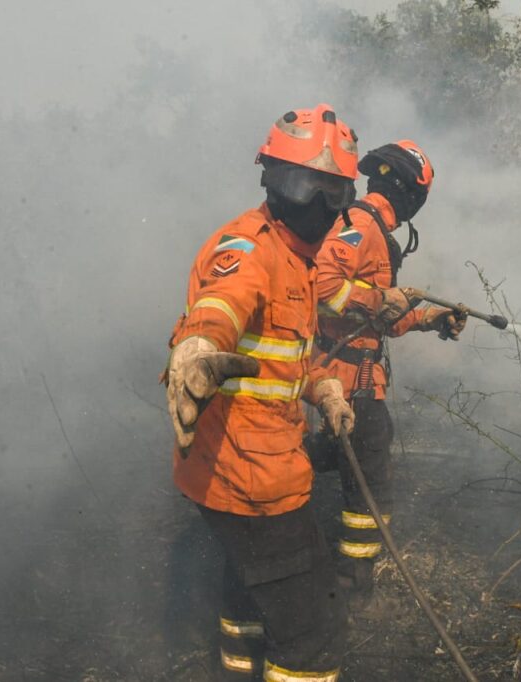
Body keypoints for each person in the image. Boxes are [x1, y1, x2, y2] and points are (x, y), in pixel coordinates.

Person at [163, 104, 358, 681]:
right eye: (303, 184)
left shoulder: (297, 256)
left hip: (245, 471)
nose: (317, 205)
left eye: (333, 193)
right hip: (251, 480)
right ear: (271, 179)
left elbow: (288, 352)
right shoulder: (249, 248)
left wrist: (325, 389)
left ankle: (239, 666)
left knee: (250, 583)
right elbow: (221, 305)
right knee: (313, 632)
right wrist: (199, 346)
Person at [308, 139, 467, 604]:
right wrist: (380, 299)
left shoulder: (371, 226)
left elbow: (375, 318)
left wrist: (428, 318)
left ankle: (320, 563)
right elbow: (323, 287)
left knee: (335, 468)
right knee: (369, 490)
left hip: (348, 380)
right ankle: (351, 586)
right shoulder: (361, 225)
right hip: (346, 382)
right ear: (410, 193)